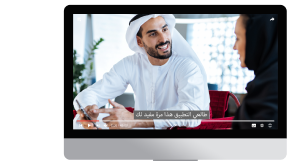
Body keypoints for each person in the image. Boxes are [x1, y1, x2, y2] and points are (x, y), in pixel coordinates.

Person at [74, 14, 210, 130]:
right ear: (139, 41)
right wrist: (89, 111)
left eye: (165, 29)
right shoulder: (131, 64)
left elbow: (193, 113)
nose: (163, 39)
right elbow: (91, 93)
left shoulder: (187, 67)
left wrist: (135, 119)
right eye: (153, 33)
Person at [231, 14, 278, 129]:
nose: (234, 47)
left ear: (257, 38)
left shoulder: (273, 87)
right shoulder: (265, 82)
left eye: (238, 38)